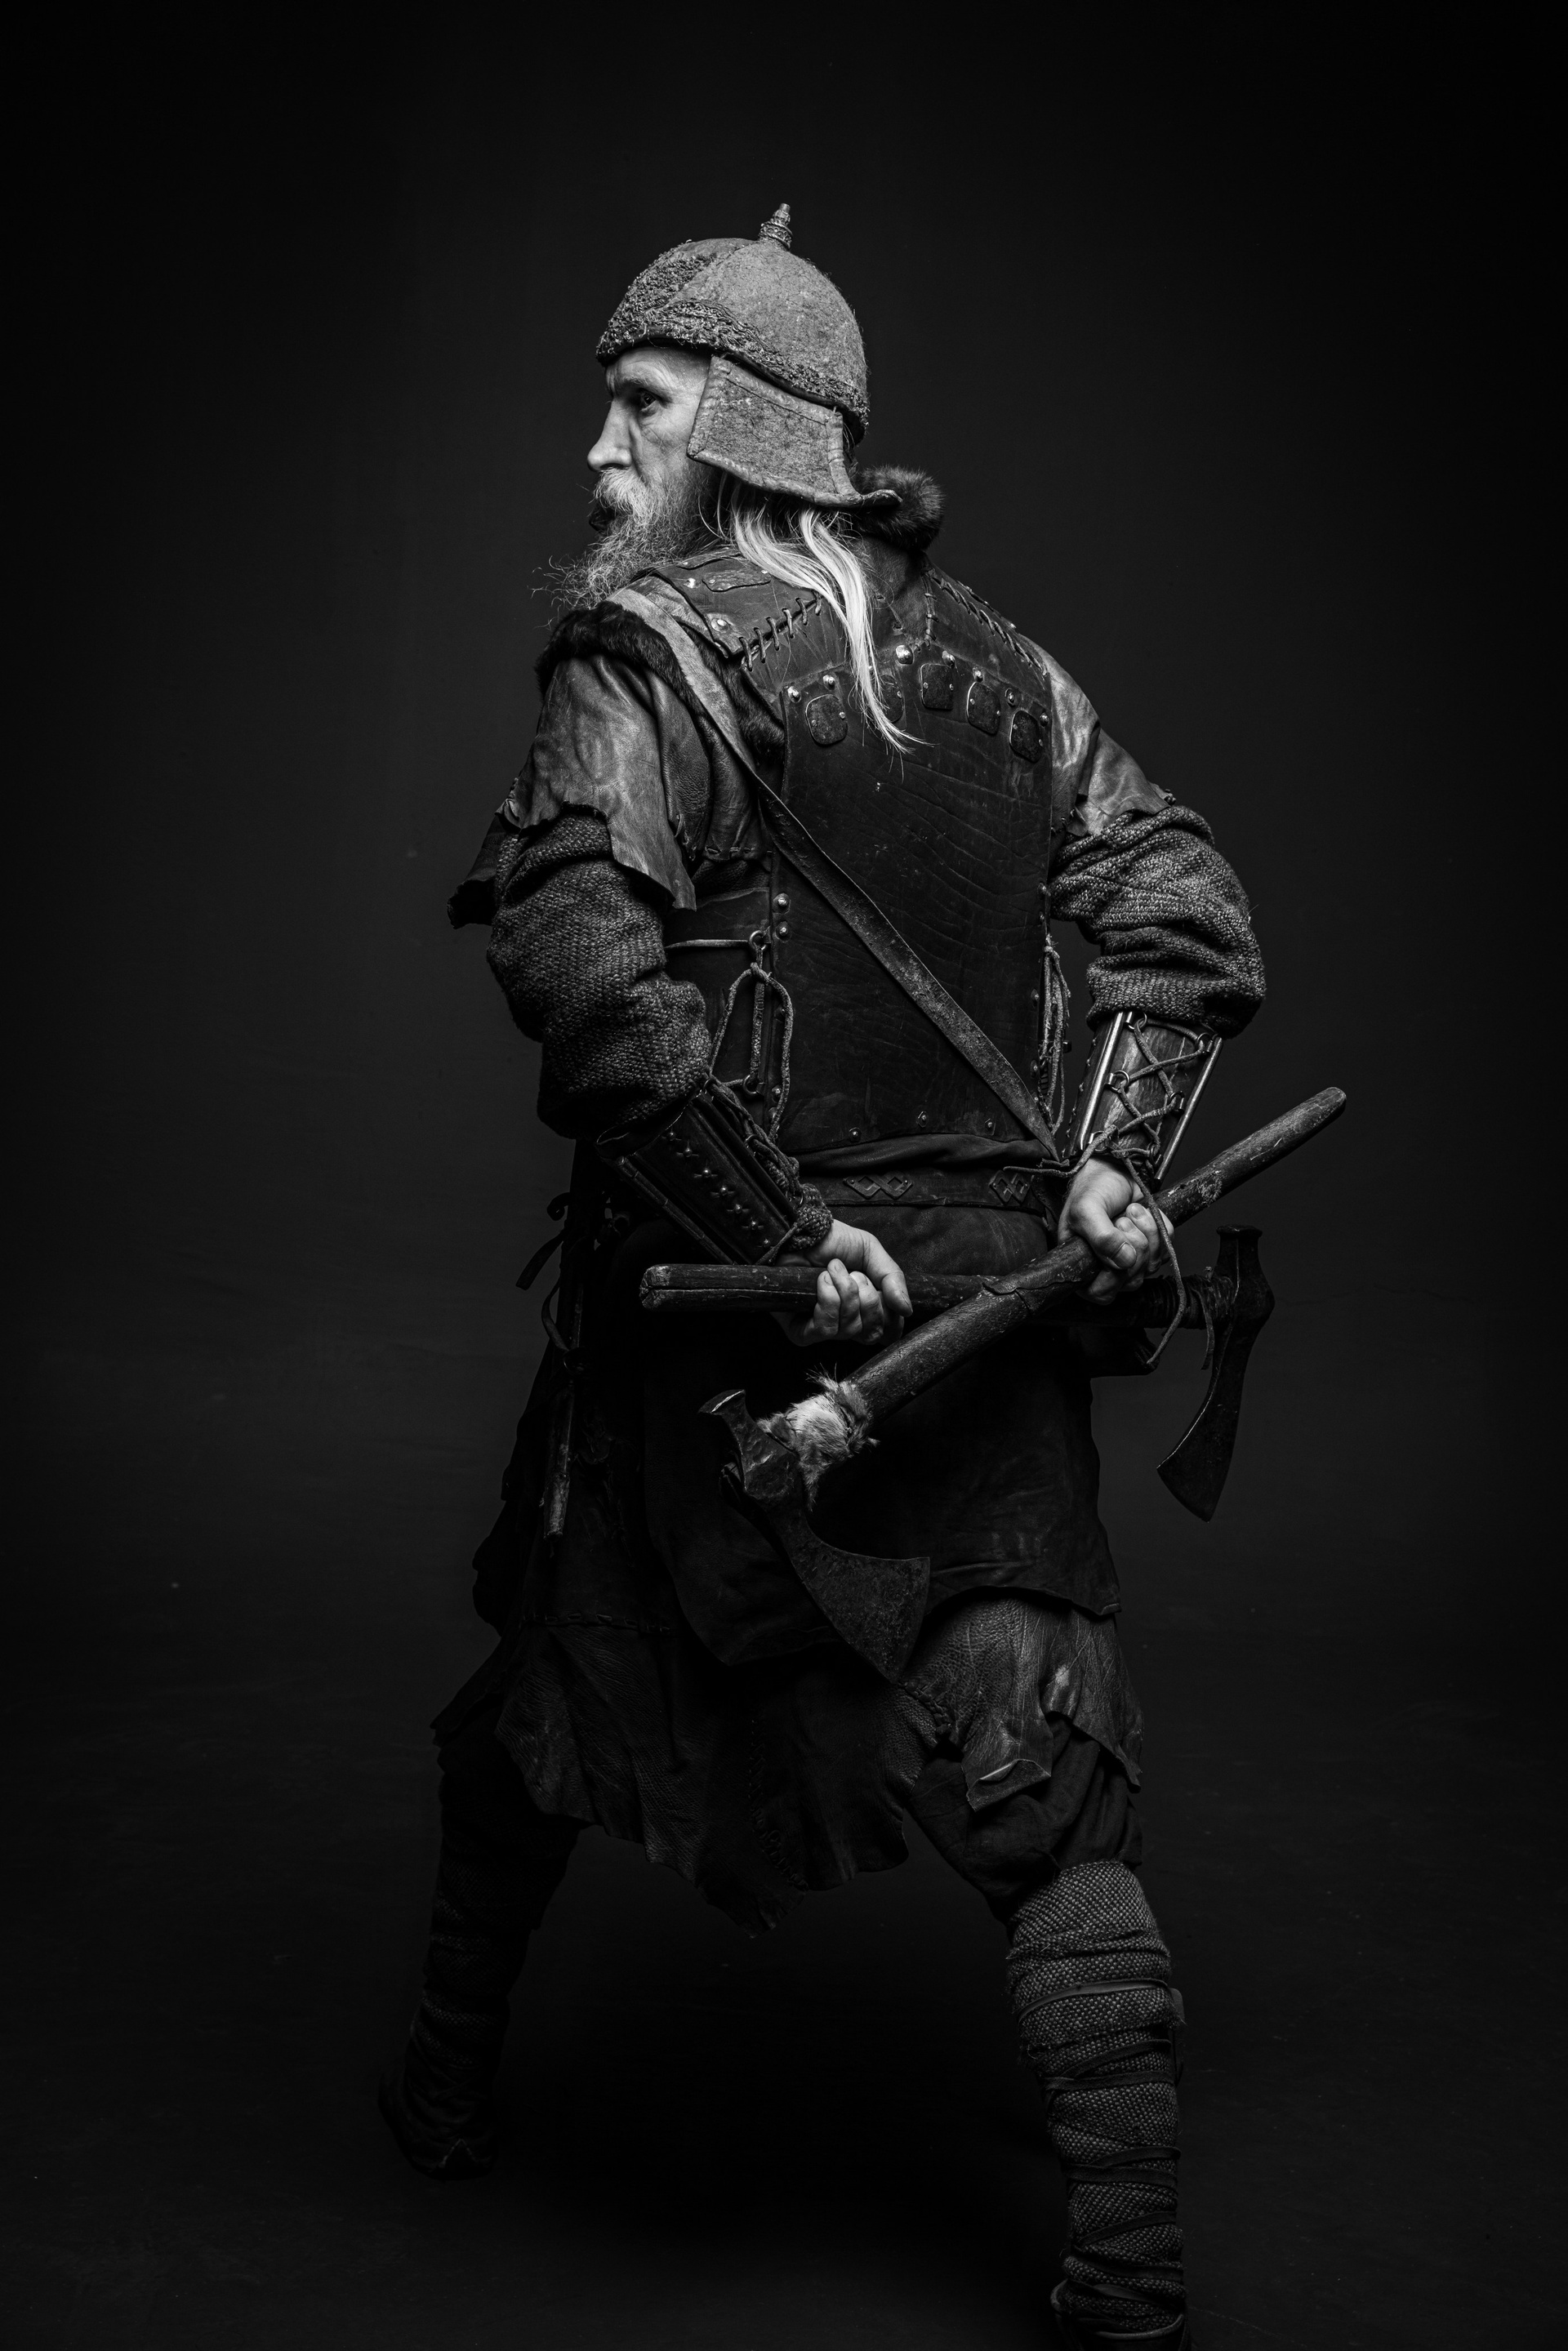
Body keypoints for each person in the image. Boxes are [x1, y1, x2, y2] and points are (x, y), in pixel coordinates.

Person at [382, 205, 1264, 2351]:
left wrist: (781, 1238)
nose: (601, 448)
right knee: (1027, 1777)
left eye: (640, 404)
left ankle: (447, 2088)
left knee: (564, 1708)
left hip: (745, 1330)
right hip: (958, 1327)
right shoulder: (1010, 676)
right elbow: (1189, 912)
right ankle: (1129, 2283)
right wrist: (1102, 1169)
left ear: (747, 429)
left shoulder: (643, 657)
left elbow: (574, 956)